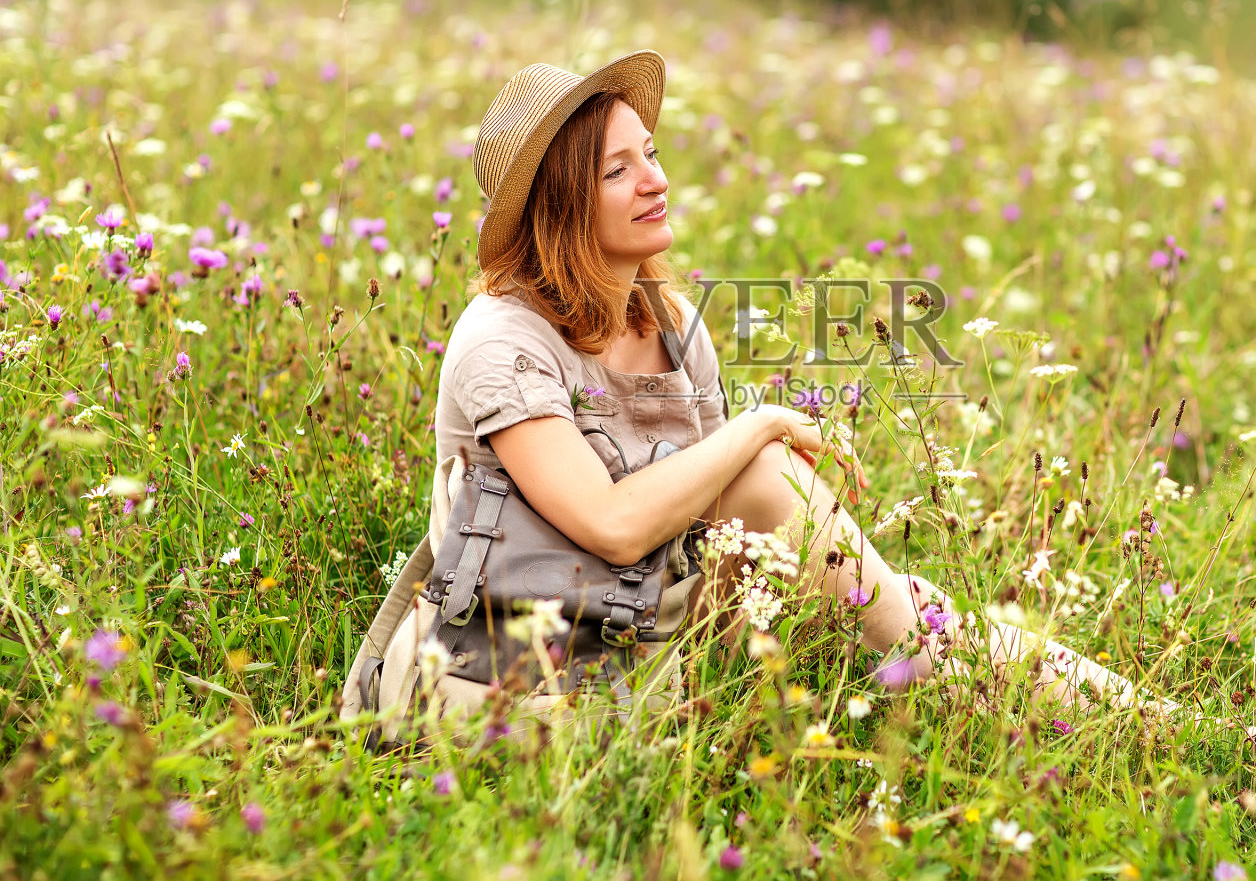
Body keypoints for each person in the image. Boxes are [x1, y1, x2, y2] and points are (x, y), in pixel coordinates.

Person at [349, 50, 1143, 737]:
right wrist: (758, 426)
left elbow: (705, 527)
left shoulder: (672, 320)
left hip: (651, 622)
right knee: (775, 485)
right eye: (617, 171)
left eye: (652, 155)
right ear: (559, 203)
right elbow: (615, 525)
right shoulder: (503, 339)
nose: (655, 181)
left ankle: (1139, 716)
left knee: (910, 600)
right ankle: (964, 676)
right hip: (511, 669)